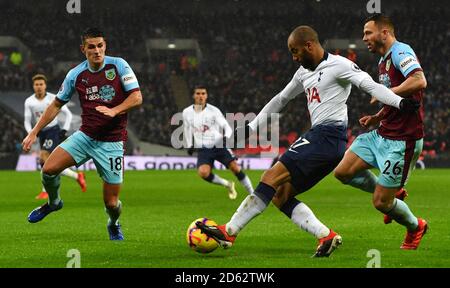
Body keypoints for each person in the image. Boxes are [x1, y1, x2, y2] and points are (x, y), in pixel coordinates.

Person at [196, 25, 419, 257]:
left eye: (296, 51)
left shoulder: (339, 65)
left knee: (269, 178)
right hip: (325, 143)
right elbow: (281, 99)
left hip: (326, 136)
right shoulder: (303, 72)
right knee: (280, 195)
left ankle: (229, 231)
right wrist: (252, 127)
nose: (294, 57)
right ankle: (326, 236)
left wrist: (399, 103)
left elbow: (369, 85)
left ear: (309, 46)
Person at [22, 28, 143, 241]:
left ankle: (113, 223)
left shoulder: (119, 65)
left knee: (112, 204)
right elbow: (56, 105)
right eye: (91, 47)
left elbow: (136, 97)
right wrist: (34, 132)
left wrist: (114, 110)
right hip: (85, 137)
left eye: (100, 46)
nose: (97, 51)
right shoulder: (75, 74)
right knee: (48, 170)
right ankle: (54, 203)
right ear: (83, 49)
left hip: (112, 143)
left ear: (105, 45)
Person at [334, 14, 428, 250]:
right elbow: (396, 100)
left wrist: (388, 92)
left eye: (368, 33)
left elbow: (419, 81)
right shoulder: (382, 61)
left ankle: (415, 226)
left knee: (380, 202)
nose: (364, 38)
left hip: (402, 141)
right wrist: (378, 116)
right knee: (342, 172)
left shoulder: (400, 51)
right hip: (382, 133)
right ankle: (393, 192)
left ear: (384, 33)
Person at [182, 86, 254, 199]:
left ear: (206, 96)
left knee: (235, 168)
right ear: (193, 95)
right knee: (203, 173)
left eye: (203, 93)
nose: (200, 96)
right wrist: (190, 144)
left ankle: (253, 194)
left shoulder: (213, 111)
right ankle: (227, 184)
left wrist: (226, 137)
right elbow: (187, 128)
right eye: (198, 93)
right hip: (203, 148)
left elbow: (226, 126)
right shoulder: (186, 112)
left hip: (218, 144)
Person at [24, 74, 87, 199]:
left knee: (43, 158)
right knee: (49, 164)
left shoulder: (53, 99)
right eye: (36, 85)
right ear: (33, 86)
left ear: (45, 85)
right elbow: (27, 120)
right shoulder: (29, 101)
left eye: (41, 84)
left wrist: (64, 130)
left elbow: (68, 114)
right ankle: (77, 176)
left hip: (53, 131)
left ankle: (45, 191)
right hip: (41, 132)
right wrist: (31, 133)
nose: (39, 87)